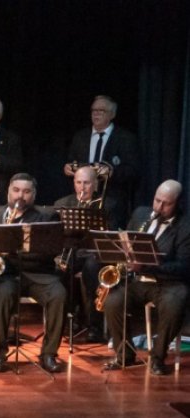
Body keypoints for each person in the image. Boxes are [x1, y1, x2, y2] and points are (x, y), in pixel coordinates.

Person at [0, 173, 66, 373]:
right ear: (8, 191)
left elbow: (54, 250)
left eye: (27, 191)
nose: (21, 196)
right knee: (3, 294)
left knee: (58, 294)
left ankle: (48, 354)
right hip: (6, 275)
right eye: (17, 190)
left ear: (34, 194)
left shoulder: (46, 217)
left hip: (38, 272)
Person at [102, 180, 190, 375]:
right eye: (157, 200)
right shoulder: (142, 214)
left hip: (168, 283)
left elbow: (184, 267)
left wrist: (149, 266)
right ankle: (124, 354)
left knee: (175, 302)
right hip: (139, 281)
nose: (159, 207)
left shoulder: (186, 226)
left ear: (178, 203)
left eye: (166, 203)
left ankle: (157, 358)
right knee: (113, 301)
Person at [53, 166, 115, 343]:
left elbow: (113, 235)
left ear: (95, 184)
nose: (82, 187)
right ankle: (69, 319)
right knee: (60, 269)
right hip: (73, 250)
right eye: (78, 182)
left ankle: (94, 325)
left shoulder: (108, 204)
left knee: (92, 268)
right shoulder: (62, 204)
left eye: (87, 183)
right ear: (73, 183)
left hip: (95, 254)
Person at [64, 95, 140, 228]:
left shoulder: (126, 138)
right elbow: (71, 162)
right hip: (82, 200)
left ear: (112, 114)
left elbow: (133, 170)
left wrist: (111, 172)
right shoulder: (80, 137)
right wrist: (68, 168)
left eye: (101, 111)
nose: (96, 114)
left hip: (111, 202)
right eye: (94, 110)